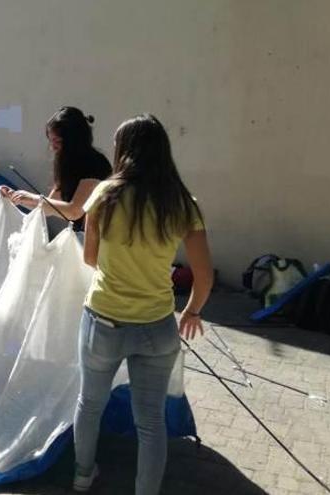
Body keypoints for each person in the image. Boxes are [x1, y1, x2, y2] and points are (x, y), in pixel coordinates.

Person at [72, 114, 213, 494]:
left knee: (89, 404)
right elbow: (205, 275)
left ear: (123, 151)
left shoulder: (104, 195)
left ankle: (82, 476)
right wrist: (193, 311)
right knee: (150, 421)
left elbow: (90, 258)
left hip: (103, 320)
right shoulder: (183, 203)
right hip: (157, 326)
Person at [0, 106, 111, 230]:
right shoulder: (68, 165)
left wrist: (31, 198)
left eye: (57, 141)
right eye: (51, 141)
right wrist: (17, 197)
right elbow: (48, 208)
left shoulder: (95, 164)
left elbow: (74, 211)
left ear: (73, 139)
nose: (52, 148)